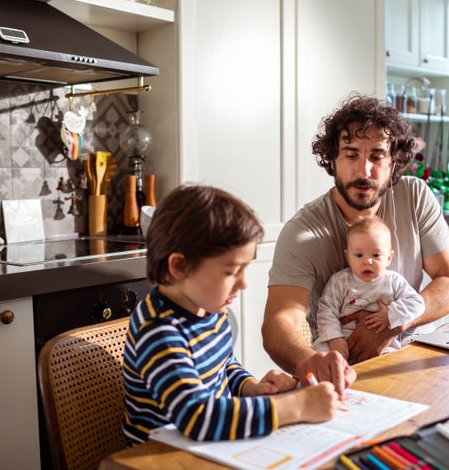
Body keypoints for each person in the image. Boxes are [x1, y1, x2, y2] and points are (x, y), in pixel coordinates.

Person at [262, 94, 449, 395]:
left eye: (376, 156)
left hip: (415, 354)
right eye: (350, 154)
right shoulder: (302, 232)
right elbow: (278, 324)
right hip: (347, 371)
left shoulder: (415, 196)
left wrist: (391, 323)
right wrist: (315, 363)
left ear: (393, 160)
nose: (364, 171)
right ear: (332, 159)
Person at [123, 184, 339, 444]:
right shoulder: (159, 332)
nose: (244, 283)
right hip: (162, 457)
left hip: (209, 445)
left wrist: (251, 388)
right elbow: (197, 416)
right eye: (230, 272)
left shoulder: (210, 309)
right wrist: (296, 407)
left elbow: (224, 366)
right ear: (180, 266)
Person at [314, 216, 426, 360]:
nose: (367, 261)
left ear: (389, 258)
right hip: (341, 339)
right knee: (321, 357)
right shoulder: (340, 281)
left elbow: (417, 303)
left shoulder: (393, 281)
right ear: (348, 257)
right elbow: (326, 310)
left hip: (381, 343)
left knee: (391, 361)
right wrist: (334, 338)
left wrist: (390, 314)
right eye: (359, 255)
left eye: (376, 255)